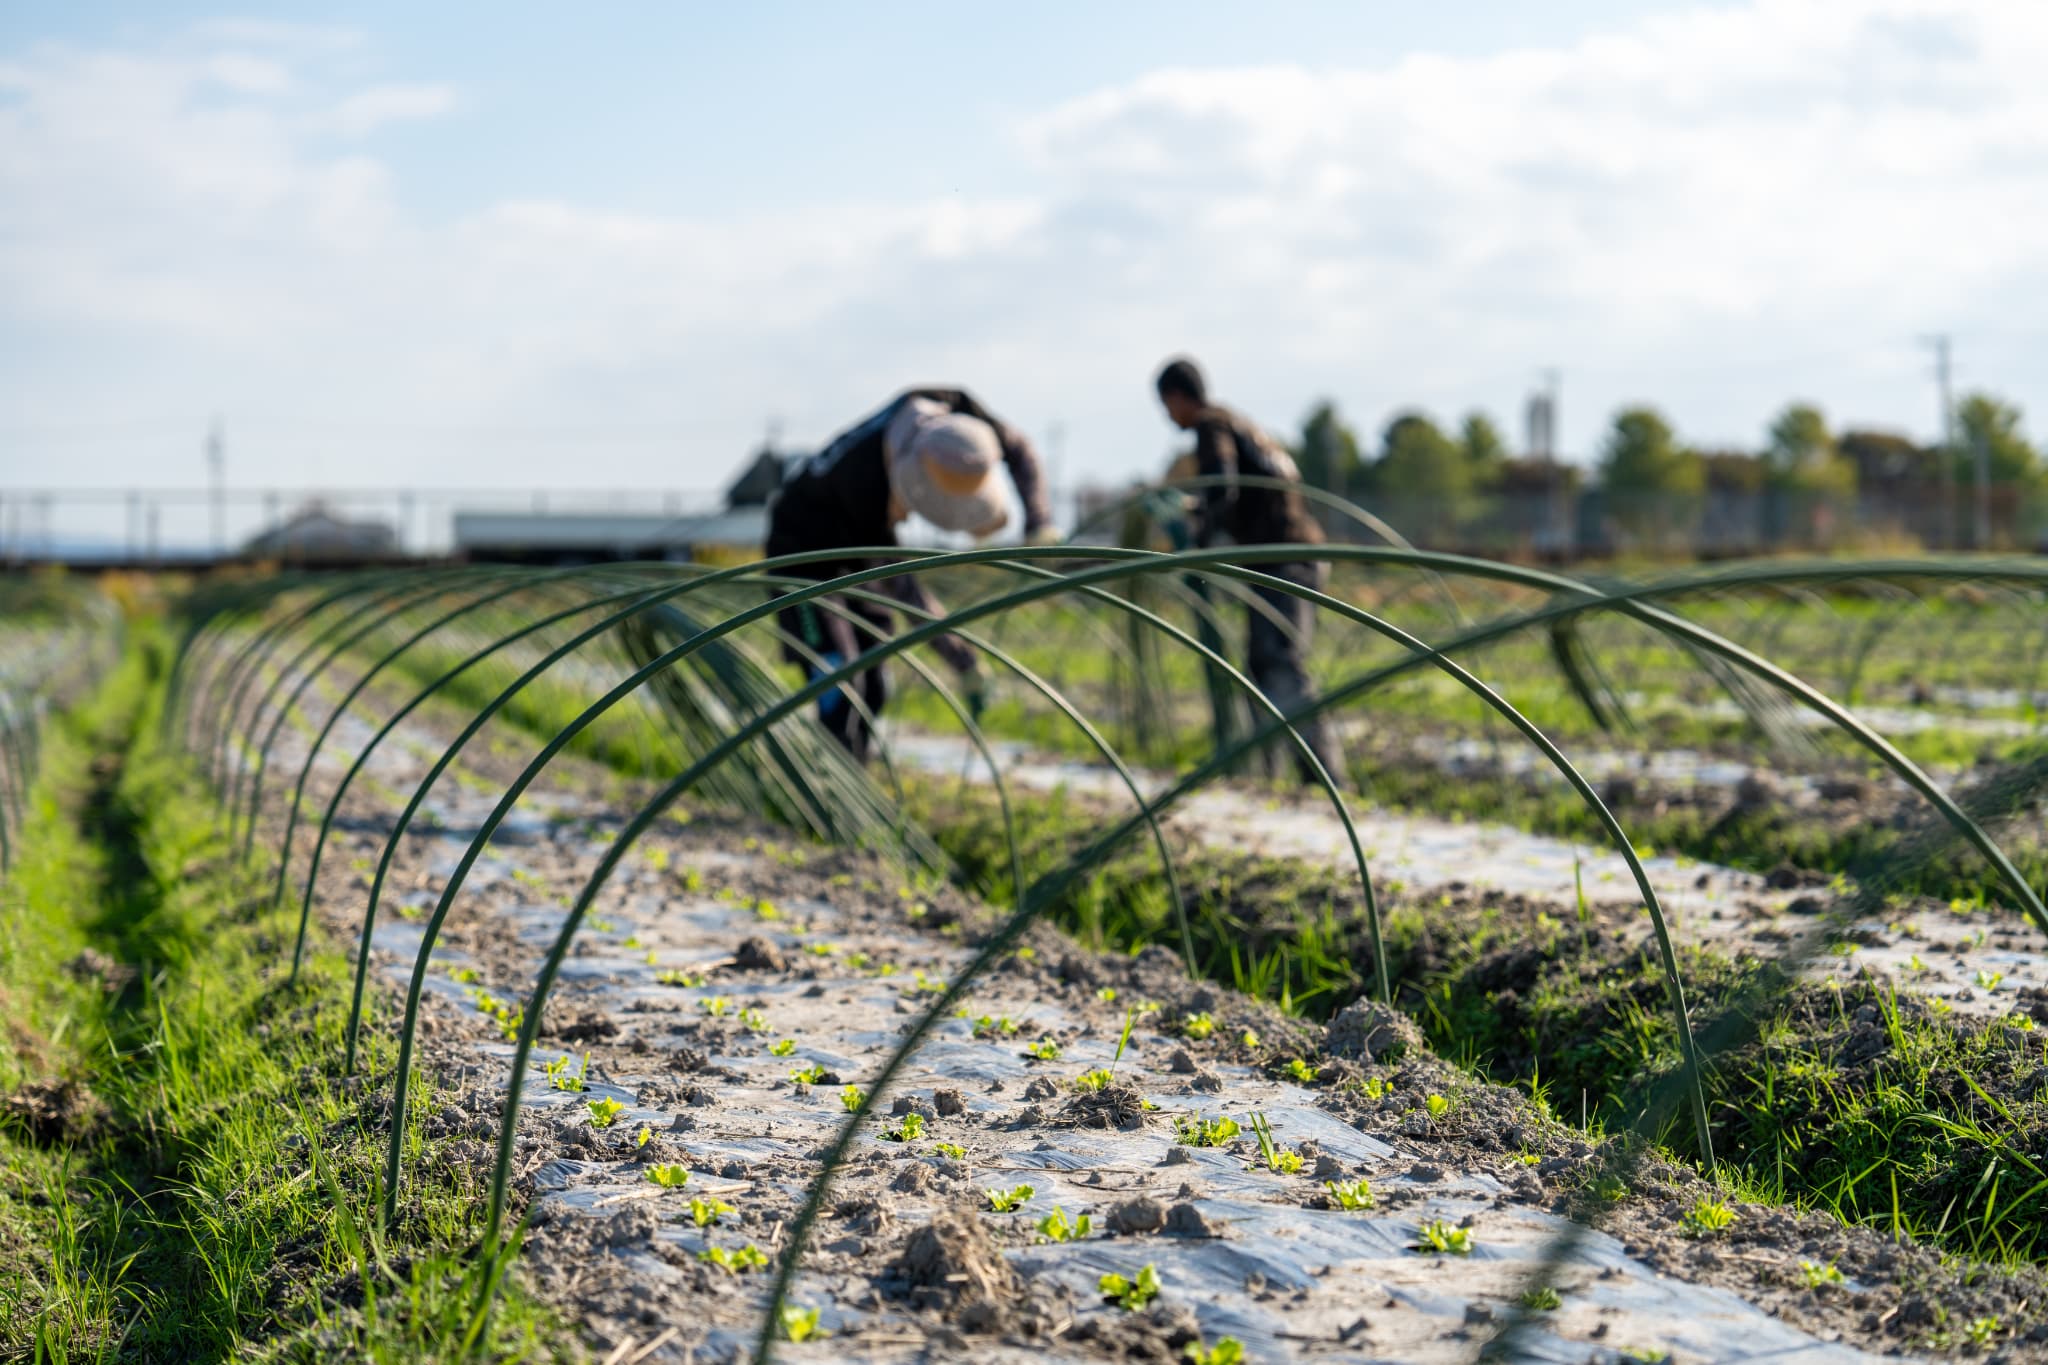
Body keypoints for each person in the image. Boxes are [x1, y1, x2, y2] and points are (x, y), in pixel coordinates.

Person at [765, 387, 1056, 760]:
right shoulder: (865, 479)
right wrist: (961, 658)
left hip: (858, 548)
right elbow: (903, 588)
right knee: (839, 678)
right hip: (802, 553)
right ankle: (827, 797)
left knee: (874, 685)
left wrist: (1039, 522)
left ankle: (855, 778)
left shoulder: (958, 413)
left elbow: (1019, 450)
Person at [1153, 355, 1341, 784]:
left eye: (1167, 407)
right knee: (1263, 665)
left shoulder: (1212, 427)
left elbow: (1224, 486)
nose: (1169, 416)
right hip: (1286, 555)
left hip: (1285, 557)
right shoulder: (1240, 424)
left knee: (1280, 663)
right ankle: (1269, 775)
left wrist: (1201, 529)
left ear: (1177, 398)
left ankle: (1324, 779)